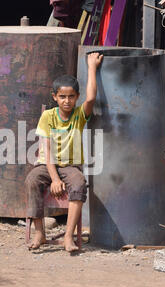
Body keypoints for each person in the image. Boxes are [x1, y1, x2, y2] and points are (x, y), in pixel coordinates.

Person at [25, 52, 103, 252]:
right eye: (62, 97)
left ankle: (68, 237)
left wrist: (91, 67)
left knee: (79, 183)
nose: (66, 101)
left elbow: (92, 97)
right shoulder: (48, 117)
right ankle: (40, 233)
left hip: (70, 166)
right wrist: (55, 179)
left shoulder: (79, 115)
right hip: (47, 165)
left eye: (71, 97)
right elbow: (47, 151)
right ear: (54, 97)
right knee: (32, 180)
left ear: (77, 97)